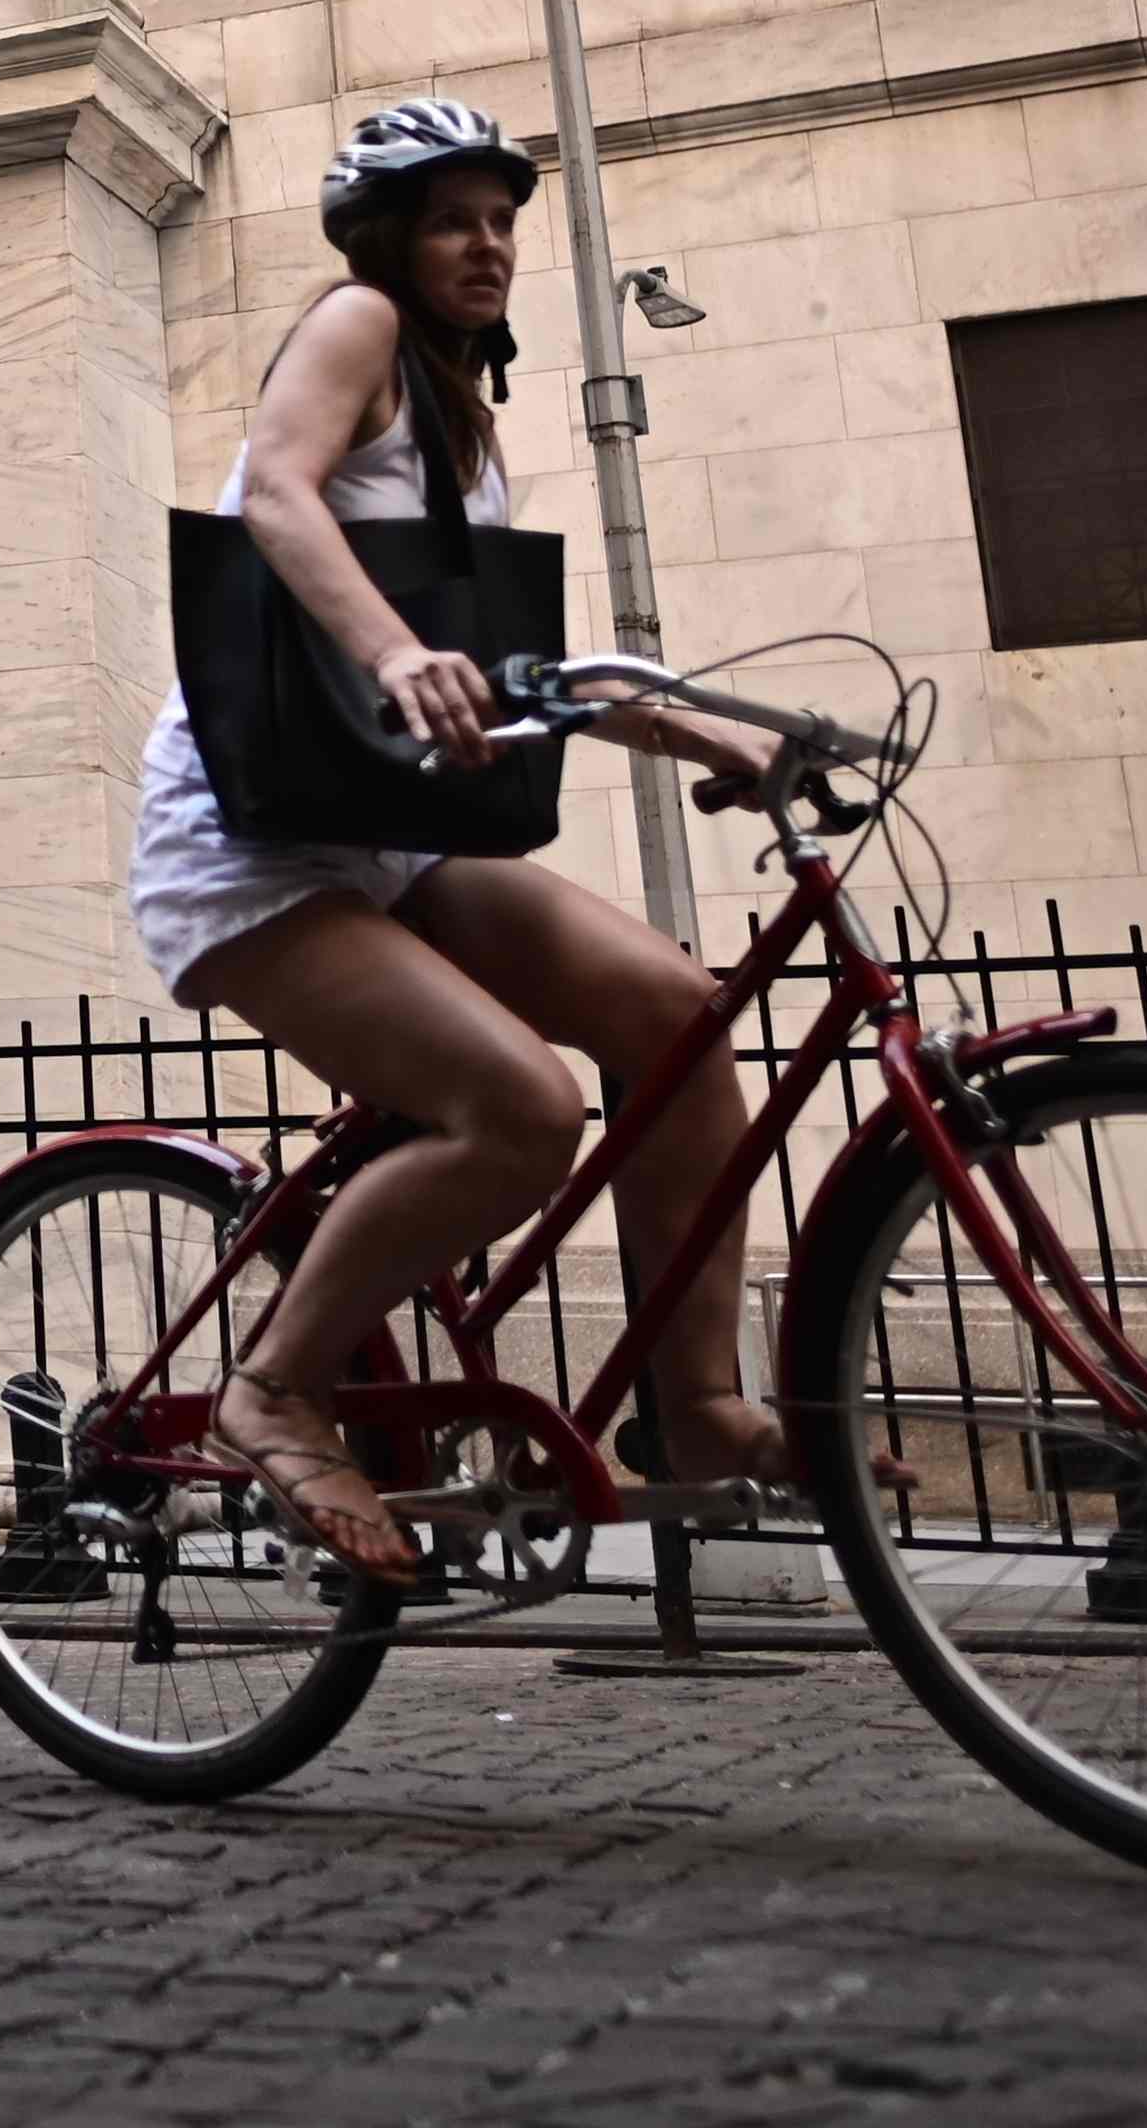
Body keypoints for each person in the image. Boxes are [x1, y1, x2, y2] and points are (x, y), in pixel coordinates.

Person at [128, 95, 786, 1580]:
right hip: (251, 841)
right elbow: (280, 497)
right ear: (389, 239)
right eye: (452, 220)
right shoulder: (355, 325)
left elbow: (514, 666)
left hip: (385, 833)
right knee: (528, 1111)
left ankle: (697, 1405)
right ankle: (275, 1386)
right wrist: (388, 653)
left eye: (501, 220)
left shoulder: (463, 426)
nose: (487, 245)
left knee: (676, 1017)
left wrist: (727, 731)